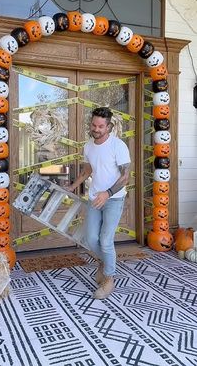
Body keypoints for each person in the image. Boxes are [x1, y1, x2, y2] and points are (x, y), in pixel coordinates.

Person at [67, 107, 131, 299]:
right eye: (94, 125)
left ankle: (109, 278)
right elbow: (87, 170)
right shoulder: (88, 146)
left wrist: (108, 193)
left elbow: (125, 177)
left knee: (105, 240)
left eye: (101, 126)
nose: (96, 128)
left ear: (109, 126)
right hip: (94, 198)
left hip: (114, 199)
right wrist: (73, 186)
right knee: (90, 238)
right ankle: (105, 263)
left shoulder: (118, 146)